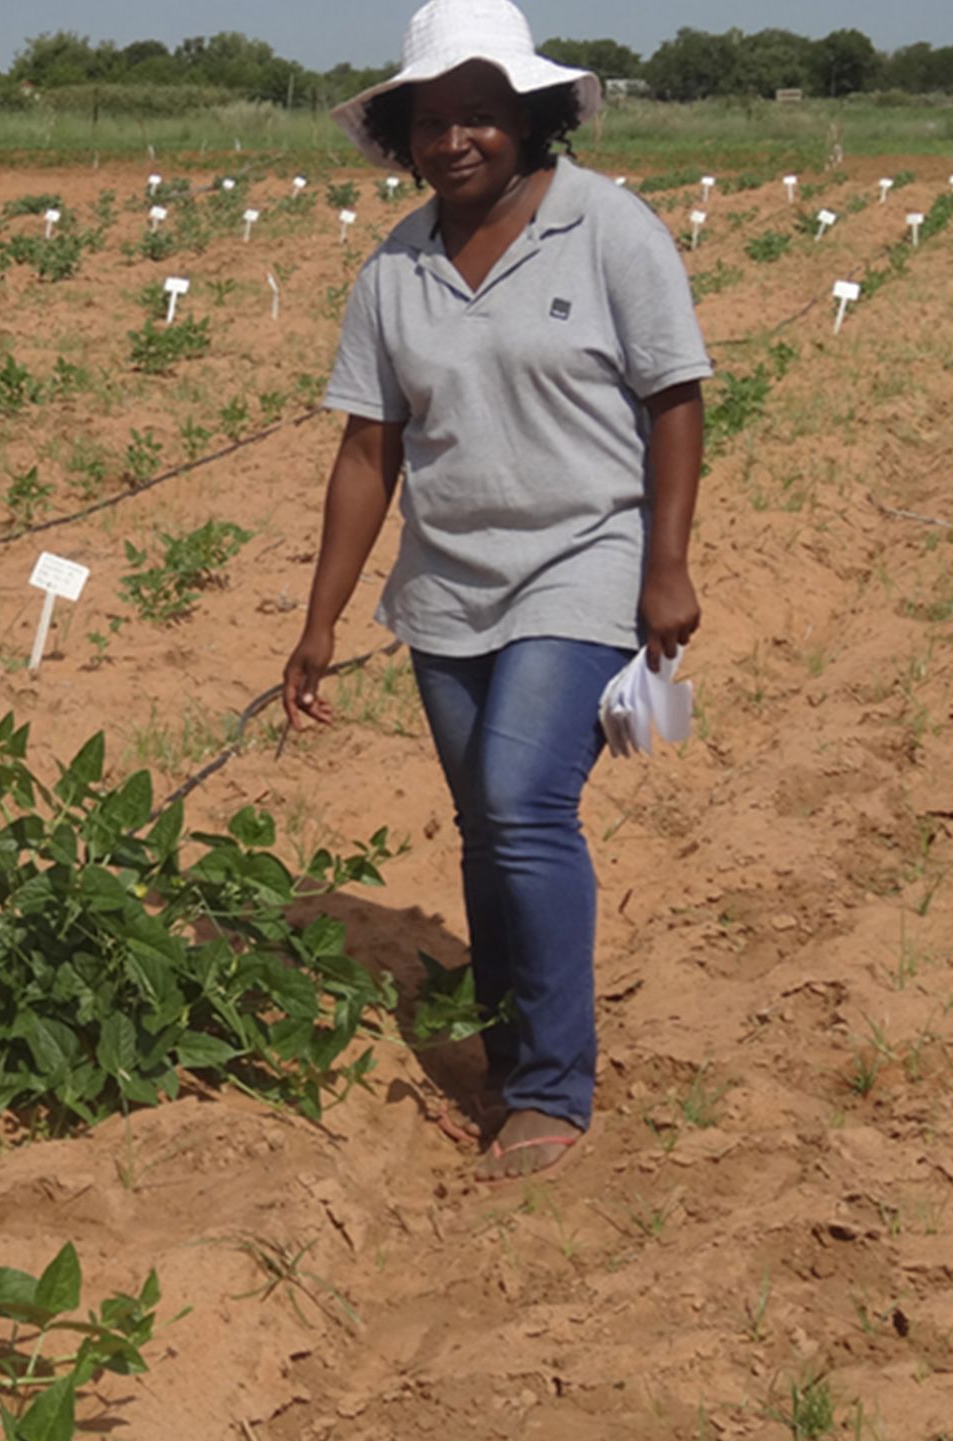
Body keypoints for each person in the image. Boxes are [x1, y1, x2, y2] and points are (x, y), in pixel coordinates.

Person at [281, 0, 710, 1183]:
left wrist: (665, 564)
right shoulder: (397, 265)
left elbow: (674, 400)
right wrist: (319, 620)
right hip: (448, 580)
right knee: (484, 824)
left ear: (528, 119)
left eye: (479, 114)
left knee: (523, 799)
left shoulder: (608, 228)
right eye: (431, 120)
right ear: (404, 137)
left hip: (585, 558)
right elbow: (369, 452)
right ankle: (510, 1033)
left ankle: (551, 1083)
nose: (455, 139)